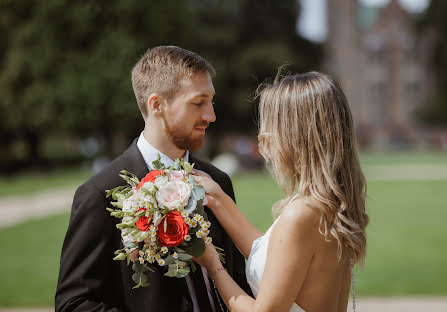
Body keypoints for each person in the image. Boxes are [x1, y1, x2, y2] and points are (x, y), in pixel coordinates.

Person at [55, 46, 252, 312]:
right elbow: (73, 304)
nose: (211, 115)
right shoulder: (100, 193)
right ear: (157, 104)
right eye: (198, 102)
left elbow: (239, 279)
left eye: (211, 101)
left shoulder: (217, 183)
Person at [192, 72, 369, 312]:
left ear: (294, 136)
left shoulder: (302, 213)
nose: (263, 138)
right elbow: (268, 254)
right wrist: (219, 200)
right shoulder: (324, 203)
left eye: (270, 126)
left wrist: (213, 266)